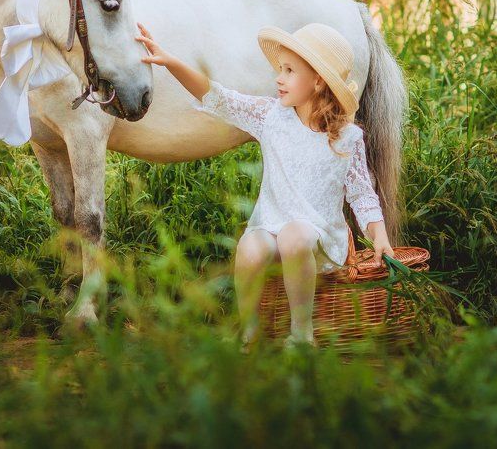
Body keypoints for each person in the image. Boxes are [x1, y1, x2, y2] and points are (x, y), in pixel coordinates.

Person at [135, 20, 394, 350]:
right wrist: (170, 60)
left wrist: (380, 236)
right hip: (272, 226)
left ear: (317, 81)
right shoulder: (270, 117)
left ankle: (301, 333)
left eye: (289, 71)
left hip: (319, 238)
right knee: (251, 246)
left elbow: (361, 193)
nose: (278, 78)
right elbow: (219, 97)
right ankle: (250, 330)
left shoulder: (347, 138)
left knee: (295, 234)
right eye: (280, 69)